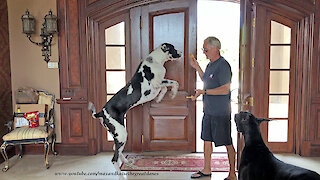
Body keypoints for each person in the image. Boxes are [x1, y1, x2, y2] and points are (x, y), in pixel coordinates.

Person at [190, 37, 236, 180]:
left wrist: (204, 92)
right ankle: (207, 169)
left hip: (220, 113)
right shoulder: (210, 65)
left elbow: (224, 89)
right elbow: (206, 80)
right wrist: (197, 67)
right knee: (207, 140)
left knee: (227, 142)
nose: (204, 52)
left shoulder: (223, 66)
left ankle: (232, 174)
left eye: (206, 49)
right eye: (203, 49)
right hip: (208, 111)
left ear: (215, 48)